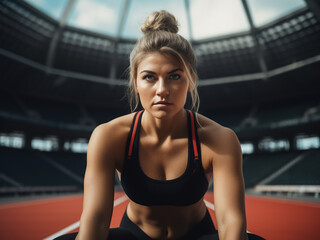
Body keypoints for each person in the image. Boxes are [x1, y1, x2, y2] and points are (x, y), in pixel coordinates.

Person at [55, 10, 265, 240]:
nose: (162, 90)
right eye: (149, 77)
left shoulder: (219, 139)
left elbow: (230, 222)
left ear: (191, 81)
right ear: (135, 81)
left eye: (174, 77)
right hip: (135, 236)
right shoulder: (108, 136)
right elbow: (95, 221)